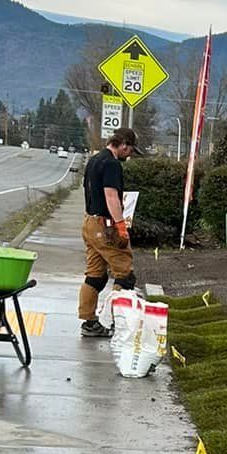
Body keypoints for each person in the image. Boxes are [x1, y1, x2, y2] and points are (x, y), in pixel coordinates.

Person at [79, 128, 138, 337]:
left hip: (89, 222)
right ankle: (116, 321)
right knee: (125, 274)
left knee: (95, 275)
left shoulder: (95, 160)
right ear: (123, 145)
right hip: (105, 226)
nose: (130, 154)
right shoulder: (112, 164)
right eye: (130, 149)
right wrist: (121, 226)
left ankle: (89, 322)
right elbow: (111, 196)